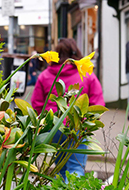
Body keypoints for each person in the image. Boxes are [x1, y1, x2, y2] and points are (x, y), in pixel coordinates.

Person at [30, 38, 104, 178]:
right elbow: (97, 103)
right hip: (77, 126)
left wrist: (45, 124)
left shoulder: (45, 76)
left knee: (61, 169)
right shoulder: (87, 75)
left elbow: (37, 104)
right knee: (76, 167)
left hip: (54, 127)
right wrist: (89, 124)